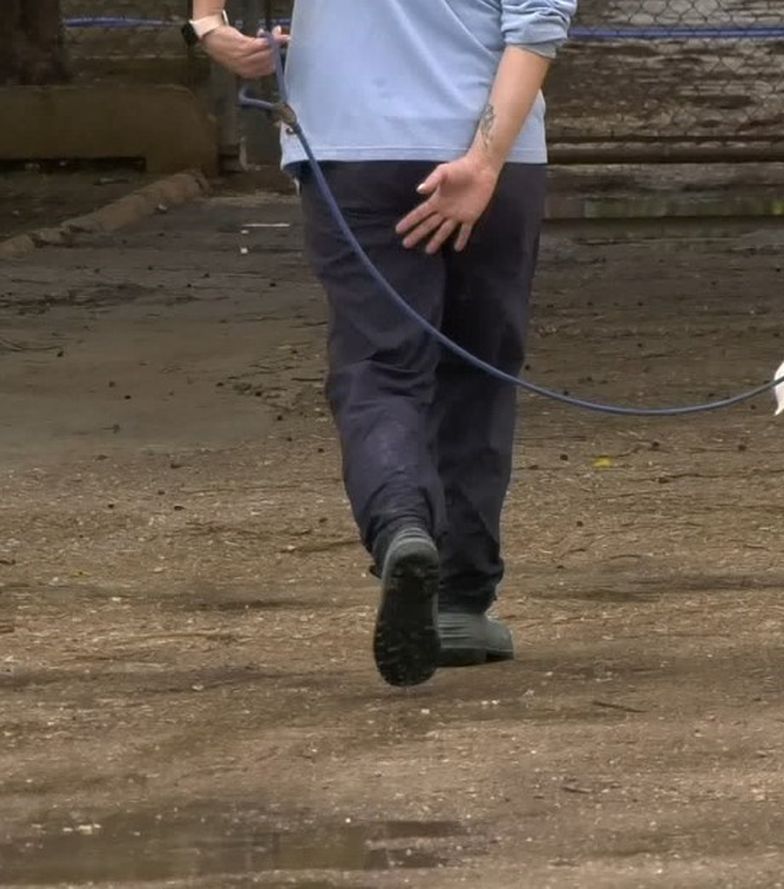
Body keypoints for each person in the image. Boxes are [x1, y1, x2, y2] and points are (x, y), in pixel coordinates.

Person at [187, 0, 577, 687]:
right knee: (477, 371)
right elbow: (537, 23)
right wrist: (483, 163)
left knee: (379, 366)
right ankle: (459, 596)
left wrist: (210, 26)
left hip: (353, 150)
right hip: (497, 157)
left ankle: (401, 526)